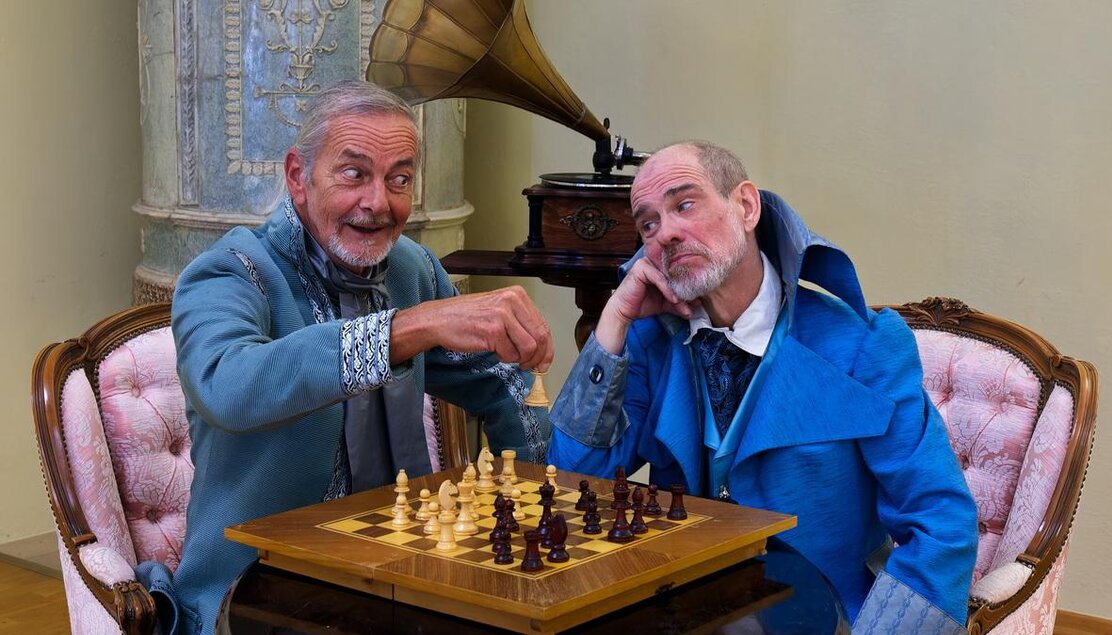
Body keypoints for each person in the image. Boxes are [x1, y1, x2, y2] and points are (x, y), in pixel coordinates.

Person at [140, 80, 554, 635]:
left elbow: (501, 386)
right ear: (298, 177)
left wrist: (542, 498)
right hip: (256, 591)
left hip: (410, 572)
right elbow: (230, 386)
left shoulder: (413, 268)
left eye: (399, 179)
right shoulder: (231, 272)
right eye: (354, 174)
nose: (379, 203)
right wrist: (406, 329)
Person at [548, 141, 977, 632]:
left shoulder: (862, 346)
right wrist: (614, 319)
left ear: (746, 207)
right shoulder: (648, 345)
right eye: (648, 224)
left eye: (684, 205)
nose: (665, 233)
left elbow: (941, 520)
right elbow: (567, 483)